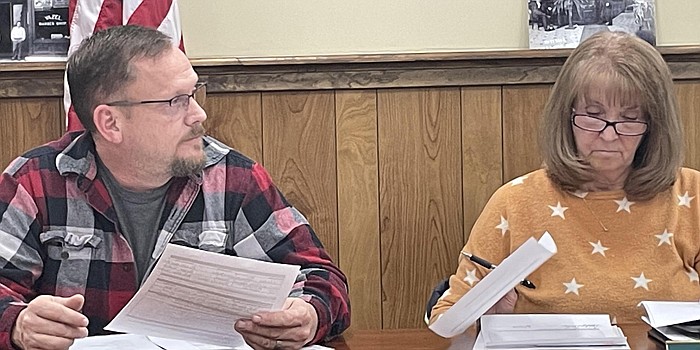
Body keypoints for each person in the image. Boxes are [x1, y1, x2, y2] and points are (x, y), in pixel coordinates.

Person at [0, 25, 349, 350]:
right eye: (176, 101)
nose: (199, 115)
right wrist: (18, 323)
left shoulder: (233, 177)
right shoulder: (34, 181)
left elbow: (320, 277)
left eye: (194, 93)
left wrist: (308, 314)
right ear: (111, 122)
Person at [429, 31, 699, 326]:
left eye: (630, 118)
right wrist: (486, 319)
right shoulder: (515, 200)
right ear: (566, 117)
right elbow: (447, 317)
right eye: (592, 115)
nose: (609, 135)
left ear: (654, 125)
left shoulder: (692, 194)